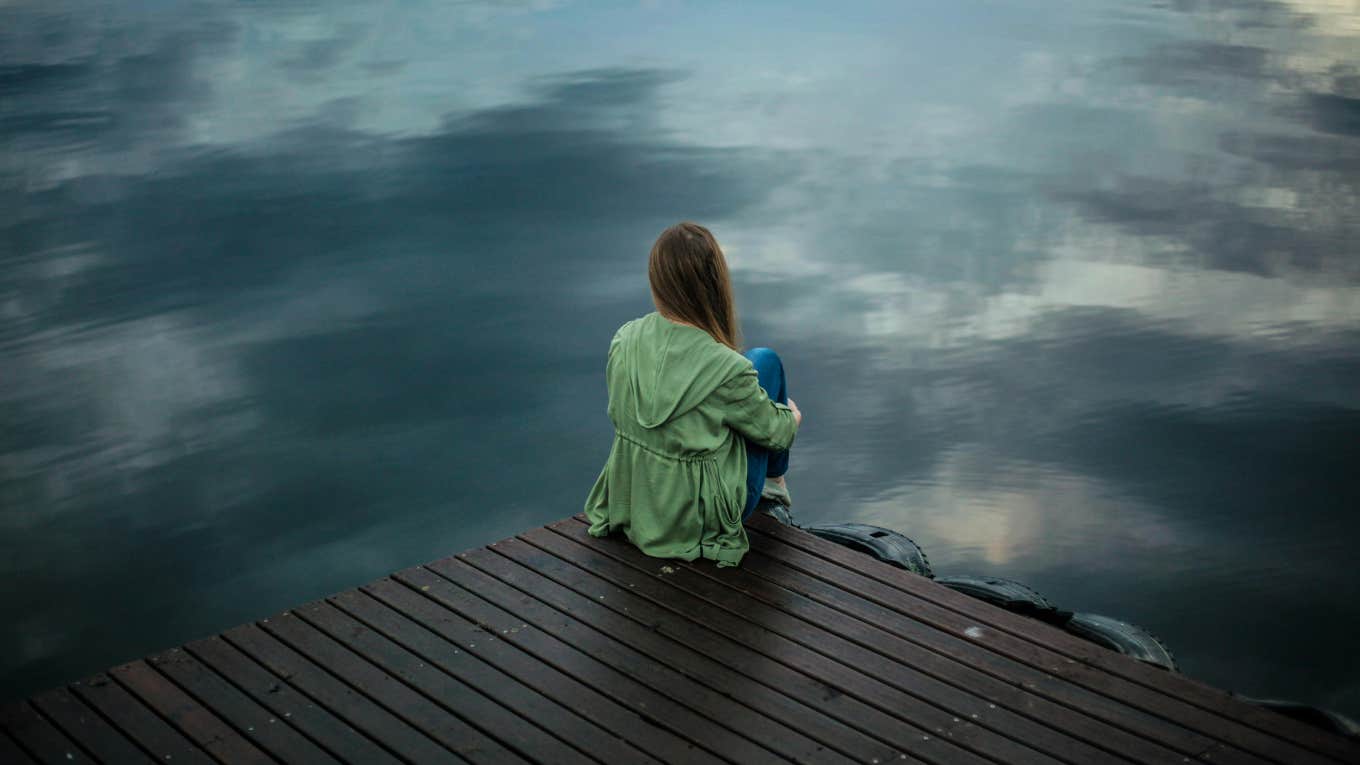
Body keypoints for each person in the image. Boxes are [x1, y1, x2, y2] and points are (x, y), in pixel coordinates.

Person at [583, 221, 803, 568]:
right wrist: (791, 416)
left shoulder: (624, 339)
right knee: (765, 361)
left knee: (750, 375)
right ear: (715, 284)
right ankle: (774, 487)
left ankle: (771, 484)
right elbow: (779, 435)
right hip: (697, 520)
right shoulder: (727, 369)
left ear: (657, 281)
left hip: (639, 503)